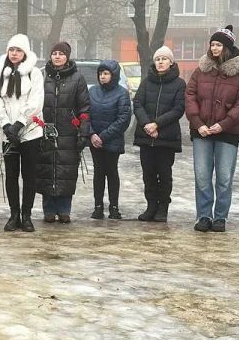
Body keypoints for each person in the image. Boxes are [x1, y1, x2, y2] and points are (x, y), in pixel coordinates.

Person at [185, 26, 239, 233]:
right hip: (202, 133)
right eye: (212, 44)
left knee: (224, 178)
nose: (214, 48)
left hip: (227, 134)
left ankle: (220, 217)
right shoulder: (201, 71)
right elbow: (190, 96)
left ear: (227, 47)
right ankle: (204, 216)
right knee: (202, 177)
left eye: (218, 45)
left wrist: (223, 124)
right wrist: (198, 124)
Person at [0, 33, 45, 233]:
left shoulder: (34, 73)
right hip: (8, 133)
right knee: (11, 175)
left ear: (25, 52)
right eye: (11, 50)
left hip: (30, 132)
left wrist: (20, 123)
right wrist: (6, 125)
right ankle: (14, 214)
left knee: (29, 175)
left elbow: (36, 102)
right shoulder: (0, 75)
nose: (14, 53)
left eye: (18, 50)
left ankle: (26, 215)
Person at [36, 41, 90, 224]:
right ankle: (49, 210)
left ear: (67, 57)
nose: (57, 57)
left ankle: (64, 209)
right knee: (47, 169)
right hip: (45, 130)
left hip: (69, 131)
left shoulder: (78, 78)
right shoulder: (42, 77)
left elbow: (84, 107)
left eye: (61, 53)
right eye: (54, 53)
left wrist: (83, 131)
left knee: (66, 171)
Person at [133, 46, 186, 222]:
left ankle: (163, 208)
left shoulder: (179, 84)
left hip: (166, 138)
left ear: (171, 62)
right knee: (148, 174)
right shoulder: (146, 82)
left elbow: (178, 109)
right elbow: (138, 104)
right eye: (158, 59)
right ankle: (151, 206)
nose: (160, 62)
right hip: (146, 136)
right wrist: (147, 125)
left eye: (164, 59)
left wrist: (157, 125)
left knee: (164, 175)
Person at [87, 59, 131, 220]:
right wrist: (92, 134)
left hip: (112, 141)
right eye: (100, 73)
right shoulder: (92, 91)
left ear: (114, 75)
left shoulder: (122, 93)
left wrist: (103, 136)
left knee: (111, 172)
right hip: (94, 140)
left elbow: (123, 118)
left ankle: (114, 207)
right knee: (98, 172)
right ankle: (98, 207)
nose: (102, 76)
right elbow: (85, 114)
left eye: (106, 73)